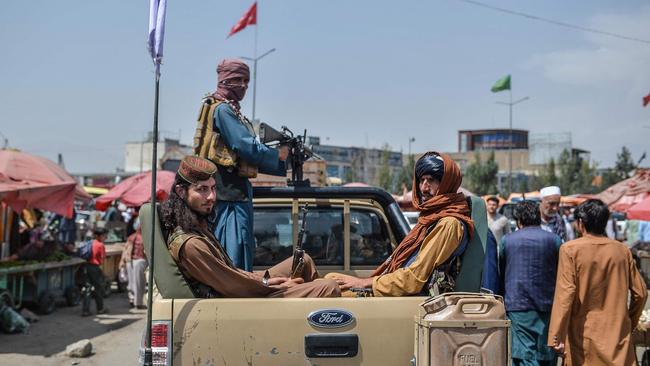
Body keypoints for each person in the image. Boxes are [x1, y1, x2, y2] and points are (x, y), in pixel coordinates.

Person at [159, 155, 339, 298]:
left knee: (303, 260)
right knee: (328, 287)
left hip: (245, 290)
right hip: (239, 303)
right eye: (202, 189)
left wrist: (266, 279)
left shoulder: (197, 227)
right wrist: (273, 285)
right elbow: (234, 287)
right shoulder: (191, 245)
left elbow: (232, 274)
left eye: (213, 188)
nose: (212, 197)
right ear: (181, 192)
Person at [328, 152, 474, 296]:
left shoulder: (449, 224)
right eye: (422, 180)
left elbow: (413, 279)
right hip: (396, 288)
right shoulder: (432, 218)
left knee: (327, 289)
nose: (424, 188)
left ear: (447, 183)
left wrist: (364, 283)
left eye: (431, 180)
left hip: (409, 296)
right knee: (330, 279)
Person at [193, 59, 289, 271]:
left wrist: (280, 164)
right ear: (225, 80)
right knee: (234, 257)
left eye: (247, 81)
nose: (244, 85)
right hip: (230, 198)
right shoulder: (223, 111)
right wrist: (278, 156)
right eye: (238, 80)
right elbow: (245, 146)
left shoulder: (223, 108)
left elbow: (244, 154)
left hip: (231, 195)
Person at [548, 199, 647, 365]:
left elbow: (565, 295)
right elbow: (641, 293)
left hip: (583, 336)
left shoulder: (570, 250)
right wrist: (629, 321)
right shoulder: (622, 250)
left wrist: (556, 335)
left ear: (580, 223)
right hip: (617, 336)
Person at [499, 200, 561, 366]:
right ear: (538, 217)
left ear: (518, 220)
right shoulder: (554, 240)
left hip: (518, 305)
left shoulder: (507, 241)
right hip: (548, 305)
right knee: (546, 352)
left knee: (524, 355)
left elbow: (502, 270)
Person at [119, 218, 147, 309]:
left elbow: (125, 250)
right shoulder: (144, 238)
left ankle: (132, 300)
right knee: (139, 284)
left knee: (132, 283)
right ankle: (137, 303)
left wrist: (122, 261)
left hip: (129, 262)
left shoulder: (131, 236)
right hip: (139, 261)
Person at [81, 227, 108, 316]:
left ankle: (85, 310)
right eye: (104, 236)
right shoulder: (100, 245)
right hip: (95, 268)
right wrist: (103, 272)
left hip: (86, 266)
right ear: (99, 236)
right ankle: (100, 309)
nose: (105, 237)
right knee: (98, 289)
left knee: (87, 289)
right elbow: (103, 259)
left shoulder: (90, 242)